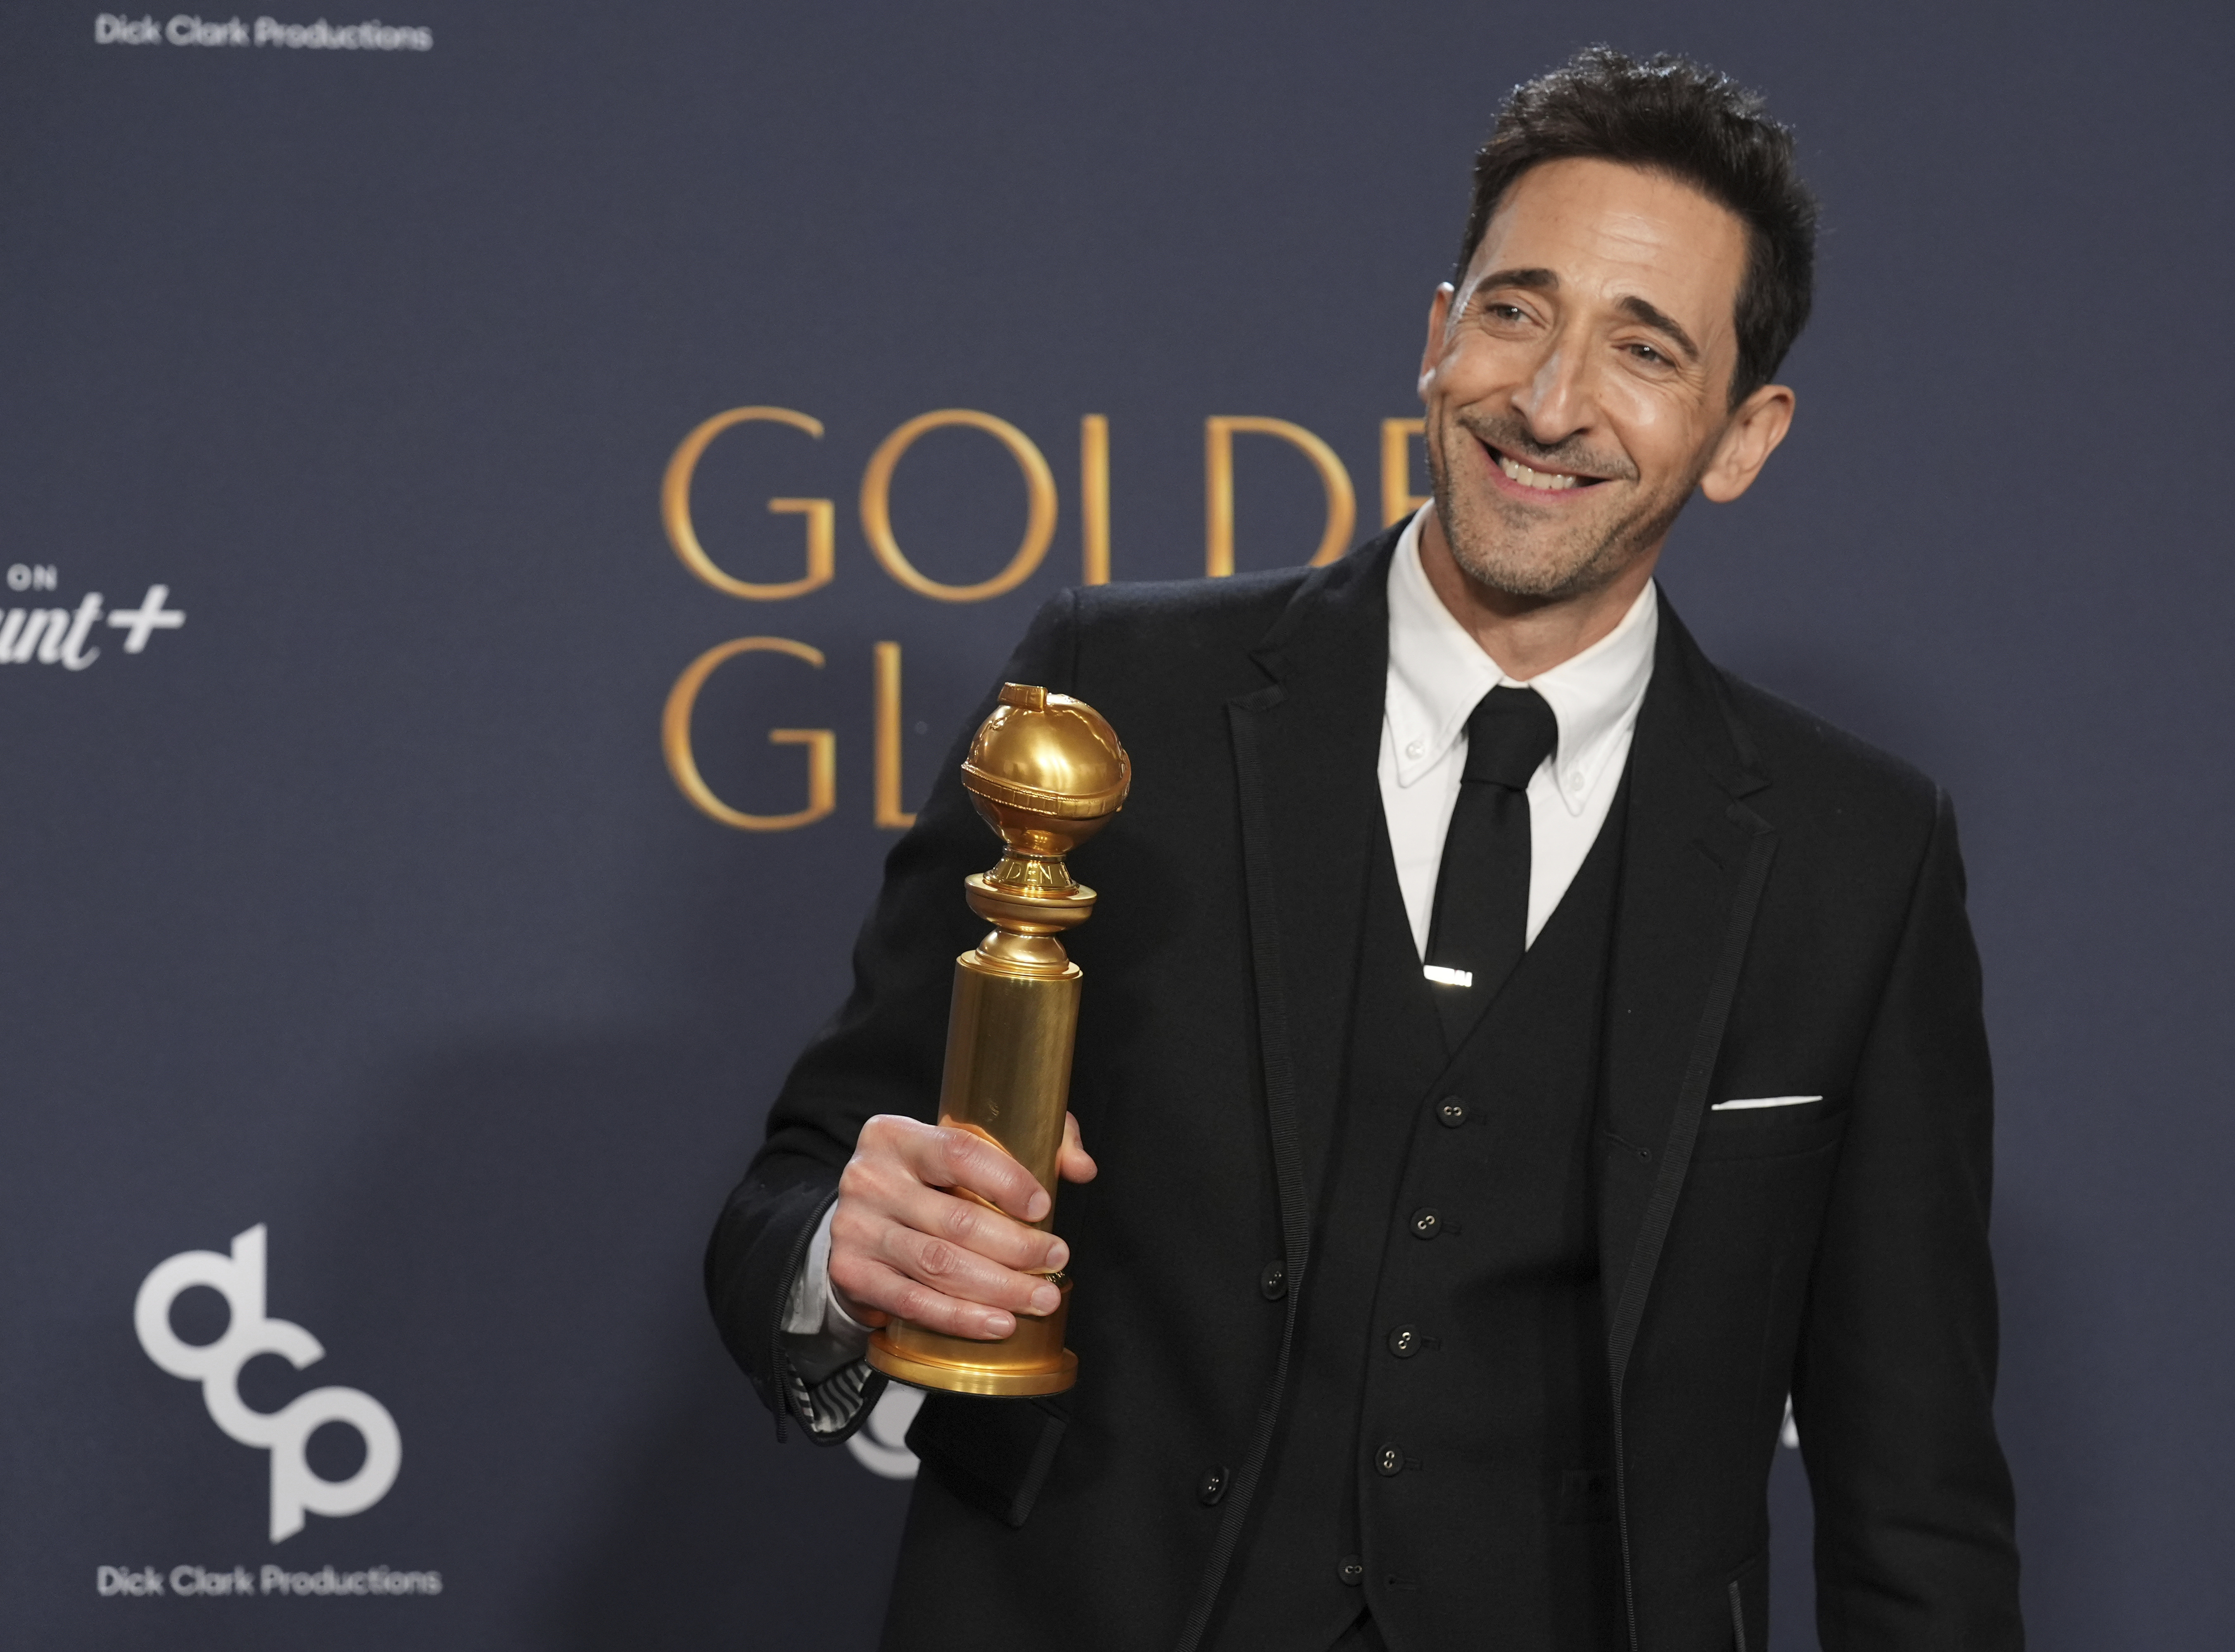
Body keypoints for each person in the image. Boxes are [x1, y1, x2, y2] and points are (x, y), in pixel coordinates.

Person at [707, 45, 2024, 1652]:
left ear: (1743, 434)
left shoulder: (1856, 854)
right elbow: (795, 1189)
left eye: (1644, 347)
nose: (1547, 402)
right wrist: (846, 1257)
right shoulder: (1118, 695)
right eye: (1517, 308)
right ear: (1436, 334)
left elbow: (1919, 1502)